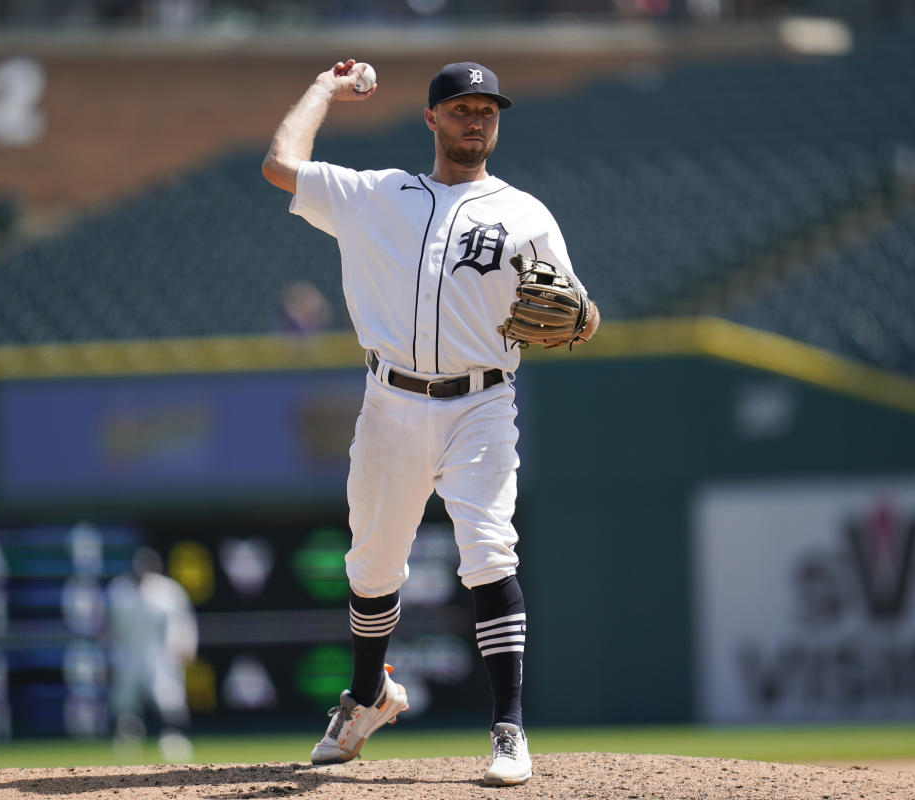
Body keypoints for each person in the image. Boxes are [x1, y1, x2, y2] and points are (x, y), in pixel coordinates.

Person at [262, 59, 600, 786]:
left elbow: (578, 312)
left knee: (487, 551)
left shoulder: (526, 213)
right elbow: (280, 164)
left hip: (483, 402)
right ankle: (367, 696)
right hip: (390, 402)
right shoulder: (376, 195)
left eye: (488, 109)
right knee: (372, 566)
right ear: (432, 119)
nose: (477, 118)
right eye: (462, 107)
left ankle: (508, 730)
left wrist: (584, 317)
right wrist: (324, 89)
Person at [106, 546, 198, 763]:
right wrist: (109, 655)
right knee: (124, 699)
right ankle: (127, 742)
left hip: (161, 653)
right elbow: (110, 628)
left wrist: (186, 647)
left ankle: (173, 739)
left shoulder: (168, 591)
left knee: (168, 696)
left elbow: (183, 622)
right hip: (128, 652)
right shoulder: (119, 590)